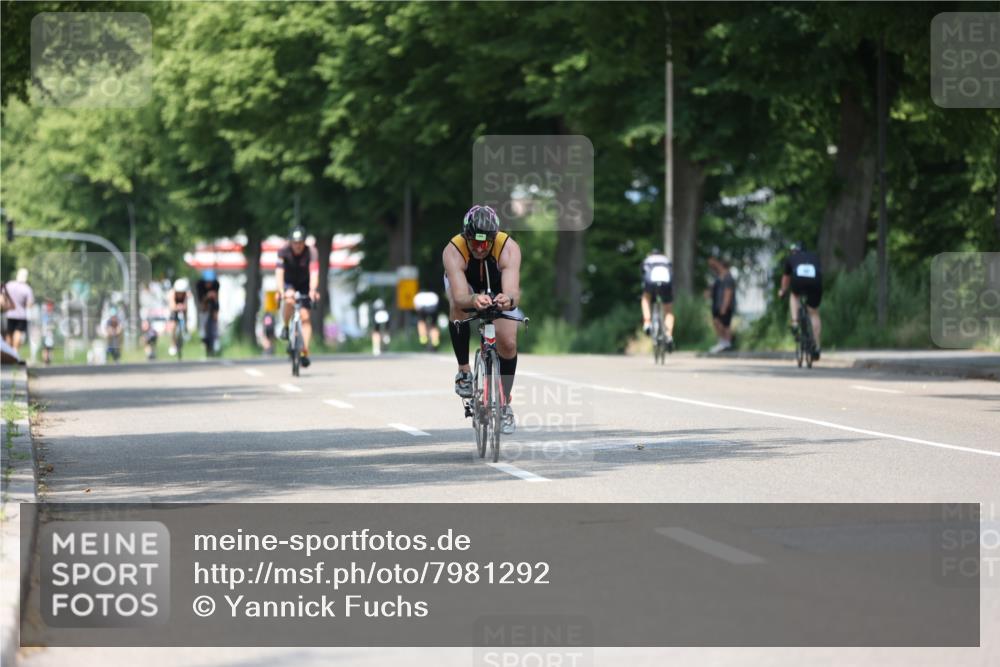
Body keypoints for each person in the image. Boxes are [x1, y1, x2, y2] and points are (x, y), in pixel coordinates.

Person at [443, 204, 522, 435]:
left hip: (498, 284)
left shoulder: (508, 248)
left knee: (508, 343)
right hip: (465, 287)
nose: (480, 248)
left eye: (485, 242)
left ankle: (505, 403)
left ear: (494, 237)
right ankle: (464, 371)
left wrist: (507, 300)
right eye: (475, 242)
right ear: (465, 236)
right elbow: (459, 296)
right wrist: (474, 299)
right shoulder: (453, 250)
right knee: (457, 309)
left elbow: (513, 293)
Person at [275, 226, 320, 368]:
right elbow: (279, 273)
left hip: (305, 284)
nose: (298, 245)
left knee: (306, 316)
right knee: (289, 300)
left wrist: (313, 290)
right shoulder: (283, 252)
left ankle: (305, 351)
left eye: (300, 242)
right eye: (295, 242)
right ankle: (286, 326)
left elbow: (314, 273)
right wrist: (281, 290)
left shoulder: (311, 252)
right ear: (290, 242)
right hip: (289, 283)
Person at [779, 241, 823, 360]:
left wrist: (782, 291)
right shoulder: (814, 256)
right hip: (815, 282)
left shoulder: (791, 258)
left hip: (798, 282)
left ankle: (795, 322)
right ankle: (817, 346)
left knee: (794, 295)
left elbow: (786, 278)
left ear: (794, 251)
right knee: (813, 312)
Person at [639, 249, 674, 350]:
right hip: (666, 283)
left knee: (645, 298)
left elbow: (643, 275)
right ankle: (668, 335)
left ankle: (647, 322)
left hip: (651, 281)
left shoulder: (648, 259)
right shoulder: (666, 260)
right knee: (668, 311)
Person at [2, 268, 34, 357]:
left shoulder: (9, 285)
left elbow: (3, 297)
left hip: (8, 314)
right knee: (18, 333)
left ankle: (8, 351)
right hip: (21, 315)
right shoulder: (27, 289)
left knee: (9, 333)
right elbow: (29, 304)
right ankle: (15, 351)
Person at [708, 256, 736, 353]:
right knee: (718, 323)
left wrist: (725, 305)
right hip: (717, 305)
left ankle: (727, 343)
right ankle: (723, 342)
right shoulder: (719, 278)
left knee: (725, 325)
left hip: (724, 305)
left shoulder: (728, 277)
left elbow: (728, 292)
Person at [196, 269, 221, 356]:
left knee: (215, 318)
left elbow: (216, 299)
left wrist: (216, 311)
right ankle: (203, 335)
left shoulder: (216, 284)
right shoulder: (199, 285)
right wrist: (207, 296)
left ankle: (216, 338)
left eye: (211, 282)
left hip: (213, 301)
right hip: (203, 300)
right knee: (203, 315)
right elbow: (200, 300)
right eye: (207, 282)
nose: (209, 284)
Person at [166, 277, 191, 356]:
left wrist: (183, 307)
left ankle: (186, 329)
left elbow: (186, 306)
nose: (180, 293)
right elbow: (172, 306)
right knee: (173, 325)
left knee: (186, 315)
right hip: (174, 310)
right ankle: (172, 344)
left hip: (182, 308)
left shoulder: (186, 294)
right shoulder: (172, 293)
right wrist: (178, 307)